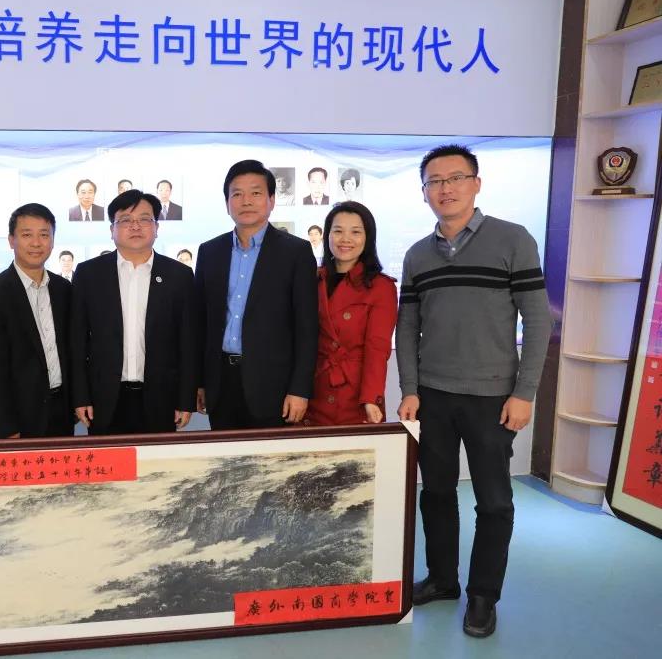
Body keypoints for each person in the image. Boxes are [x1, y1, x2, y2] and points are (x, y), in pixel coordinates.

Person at [396, 144, 552, 638]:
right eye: (434, 181)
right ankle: (443, 579)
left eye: (455, 178)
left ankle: (484, 595)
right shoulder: (417, 255)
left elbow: (539, 320)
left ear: (476, 184)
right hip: (433, 396)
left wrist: (525, 393)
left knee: (494, 501)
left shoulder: (513, 239)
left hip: (493, 397)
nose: (445, 188)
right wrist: (410, 388)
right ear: (424, 192)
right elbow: (407, 328)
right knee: (436, 493)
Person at [194, 159, 318, 430]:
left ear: (271, 200)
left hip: (273, 387)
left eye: (256, 193)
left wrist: (300, 389)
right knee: (224, 455)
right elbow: (201, 323)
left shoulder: (295, 253)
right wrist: (200, 381)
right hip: (221, 383)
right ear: (227, 203)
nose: (246, 201)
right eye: (237, 194)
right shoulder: (210, 252)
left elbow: (307, 328)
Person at [70, 189, 198, 434]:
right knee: (108, 459)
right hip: (104, 399)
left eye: (144, 219)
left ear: (156, 227)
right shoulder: (89, 274)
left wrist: (185, 399)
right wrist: (80, 396)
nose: (135, 226)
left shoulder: (179, 275)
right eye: (125, 220)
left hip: (161, 398)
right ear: (112, 230)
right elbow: (77, 342)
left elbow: (188, 343)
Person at [0, 204, 74, 439]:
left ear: (52, 241)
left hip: (62, 411)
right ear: (11, 240)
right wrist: (6, 425)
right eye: (27, 235)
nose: (36, 243)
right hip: (19, 417)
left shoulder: (64, 289)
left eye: (44, 235)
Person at [303, 202, 397, 426]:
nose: (345, 239)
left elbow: (377, 349)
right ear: (327, 236)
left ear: (368, 237)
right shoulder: (312, 279)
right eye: (338, 231)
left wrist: (371, 398)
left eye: (355, 232)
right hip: (311, 391)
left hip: (355, 395)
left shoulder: (380, 287)